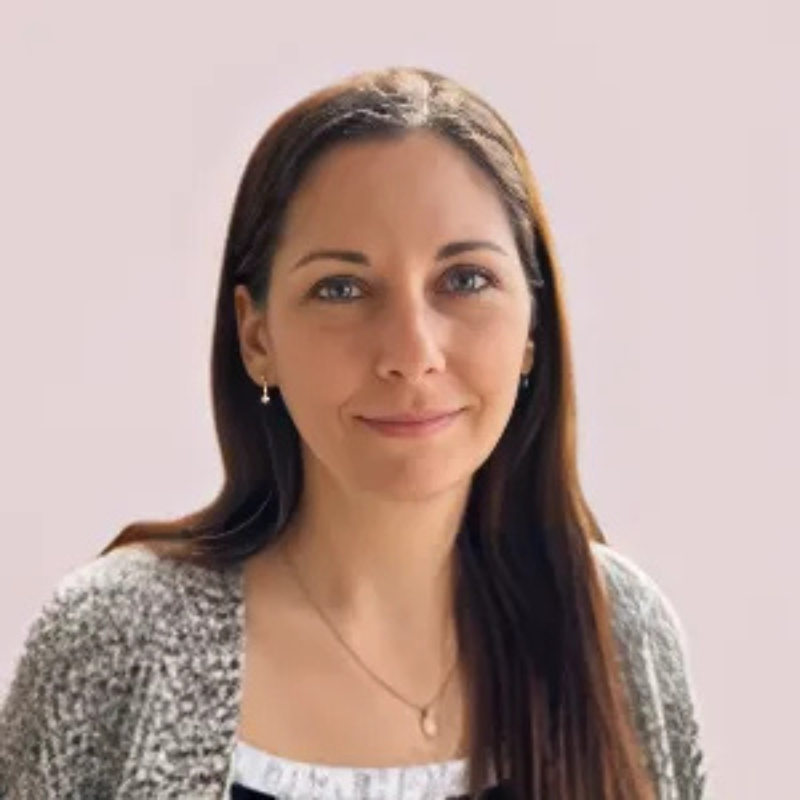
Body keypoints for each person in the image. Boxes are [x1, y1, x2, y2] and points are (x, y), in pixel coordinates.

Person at [0, 66, 708, 799]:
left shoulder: (622, 632)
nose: (411, 354)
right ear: (256, 336)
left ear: (533, 327)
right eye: (341, 289)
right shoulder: (114, 640)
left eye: (464, 280)